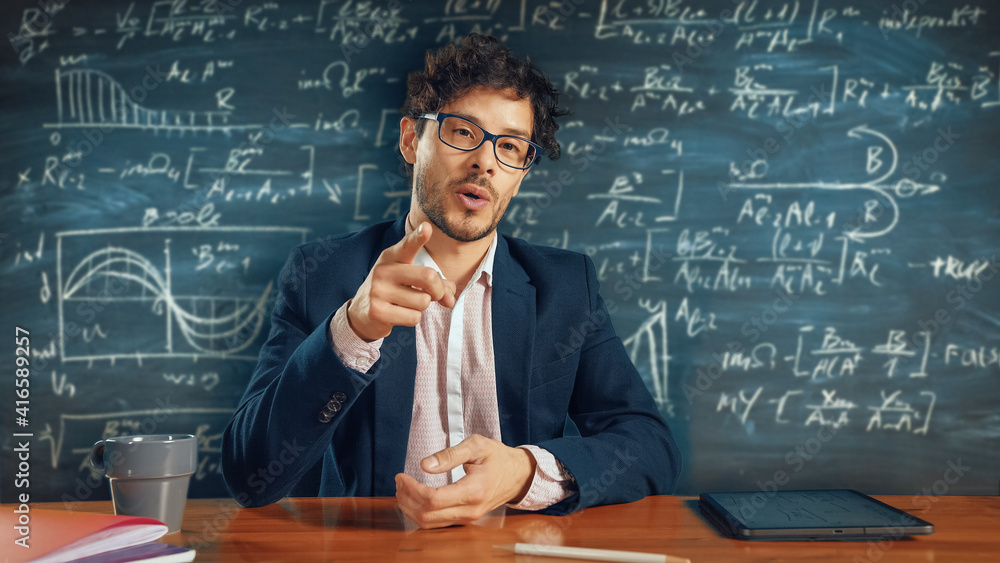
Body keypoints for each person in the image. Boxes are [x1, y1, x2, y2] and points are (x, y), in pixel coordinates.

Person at [221, 34, 680, 529]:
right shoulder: (322, 276)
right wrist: (351, 332)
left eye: (510, 146)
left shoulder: (567, 287)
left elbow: (649, 445)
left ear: (521, 172)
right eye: (463, 132)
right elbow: (251, 478)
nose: (485, 162)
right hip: (372, 551)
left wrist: (524, 472)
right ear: (410, 140)